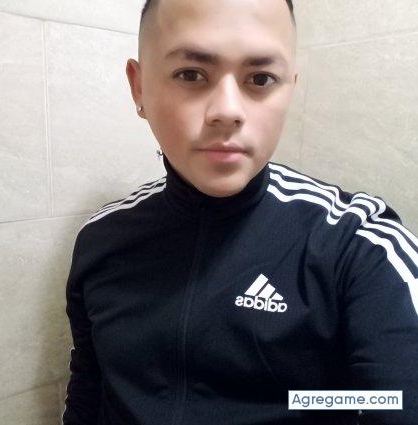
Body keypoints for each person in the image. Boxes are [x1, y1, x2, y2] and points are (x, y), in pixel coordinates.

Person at [62, 0, 418, 424]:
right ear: (139, 89)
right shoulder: (102, 239)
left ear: (289, 88)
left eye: (261, 79)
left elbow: (394, 401)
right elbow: (88, 392)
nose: (228, 111)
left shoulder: (358, 244)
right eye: (191, 74)